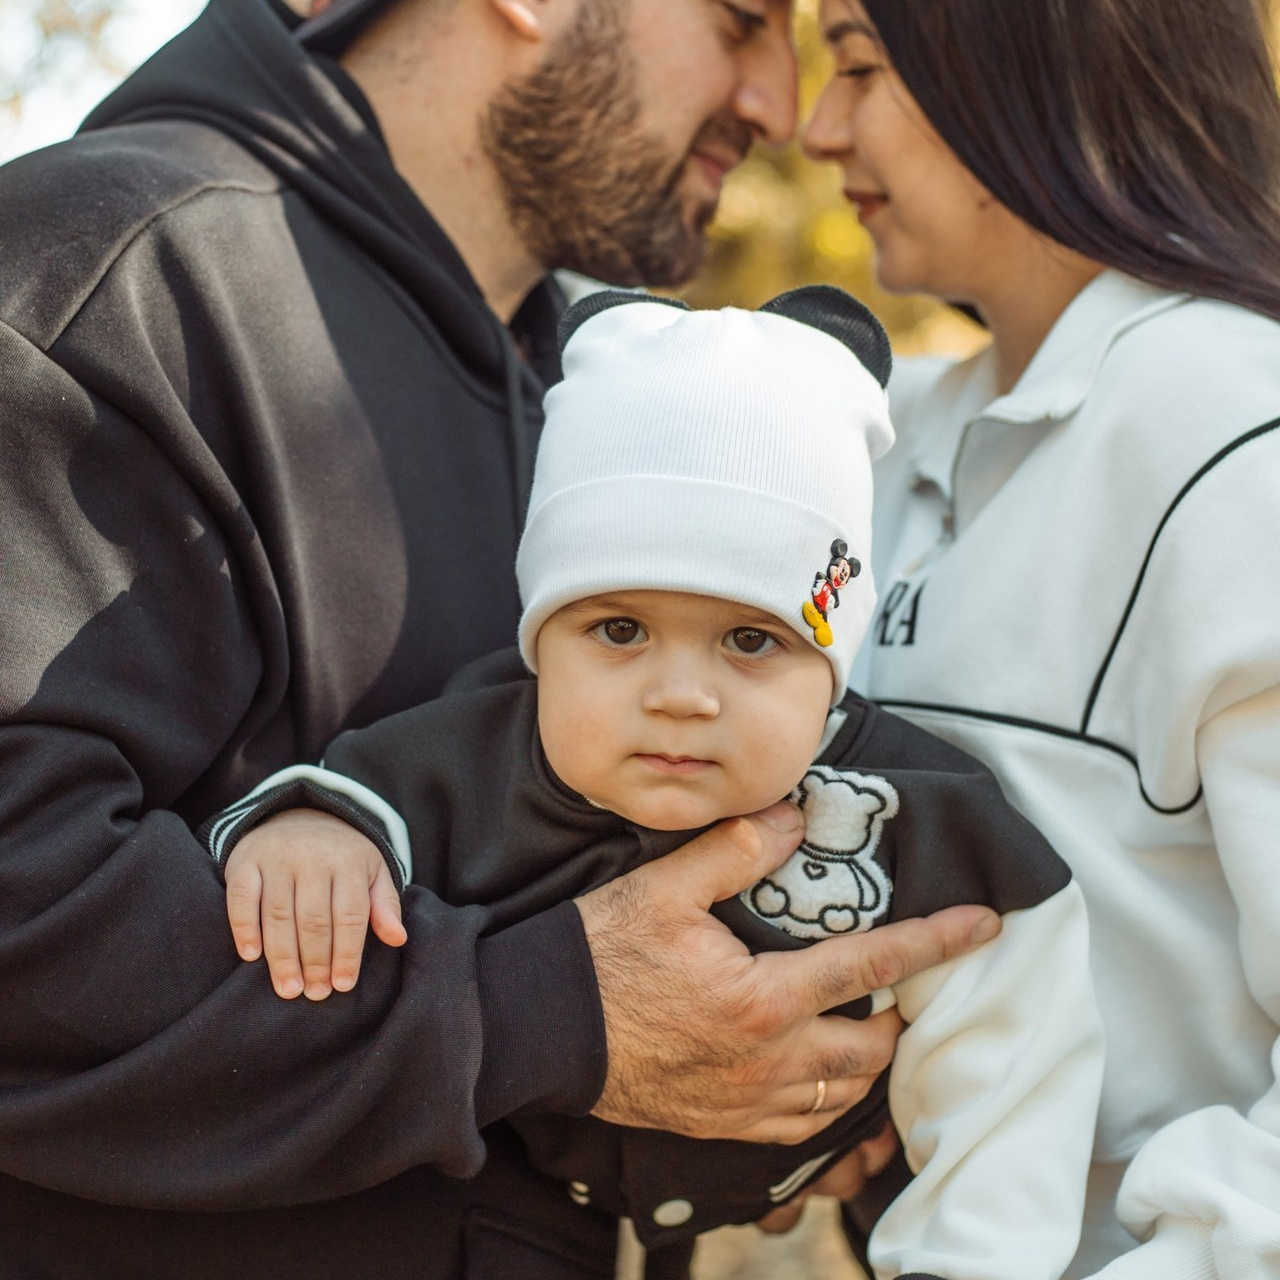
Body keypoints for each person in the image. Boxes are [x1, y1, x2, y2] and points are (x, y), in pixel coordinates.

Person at [0, 0, 1000, 1274]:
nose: (777, 107)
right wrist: (548, 1016)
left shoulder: (587, 397)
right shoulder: (108, 274)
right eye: (743, 23)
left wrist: (767, 1099)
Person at [210, 286, 1102, 1280]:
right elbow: (362, 791)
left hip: (799, 1190)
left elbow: (1015, 1053)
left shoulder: (912, 809)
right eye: (619, 629)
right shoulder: (481, 750)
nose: (680, 695)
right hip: (531, 1211)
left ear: (830, 657)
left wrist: (967, 1255)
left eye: (751, 639)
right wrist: (311, 829)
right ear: (541, 640)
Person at [800, 0, 1280, 1276]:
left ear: (1030, 54)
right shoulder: (893, 437)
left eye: (854, 63)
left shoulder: (1240, 441)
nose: (813, 125)